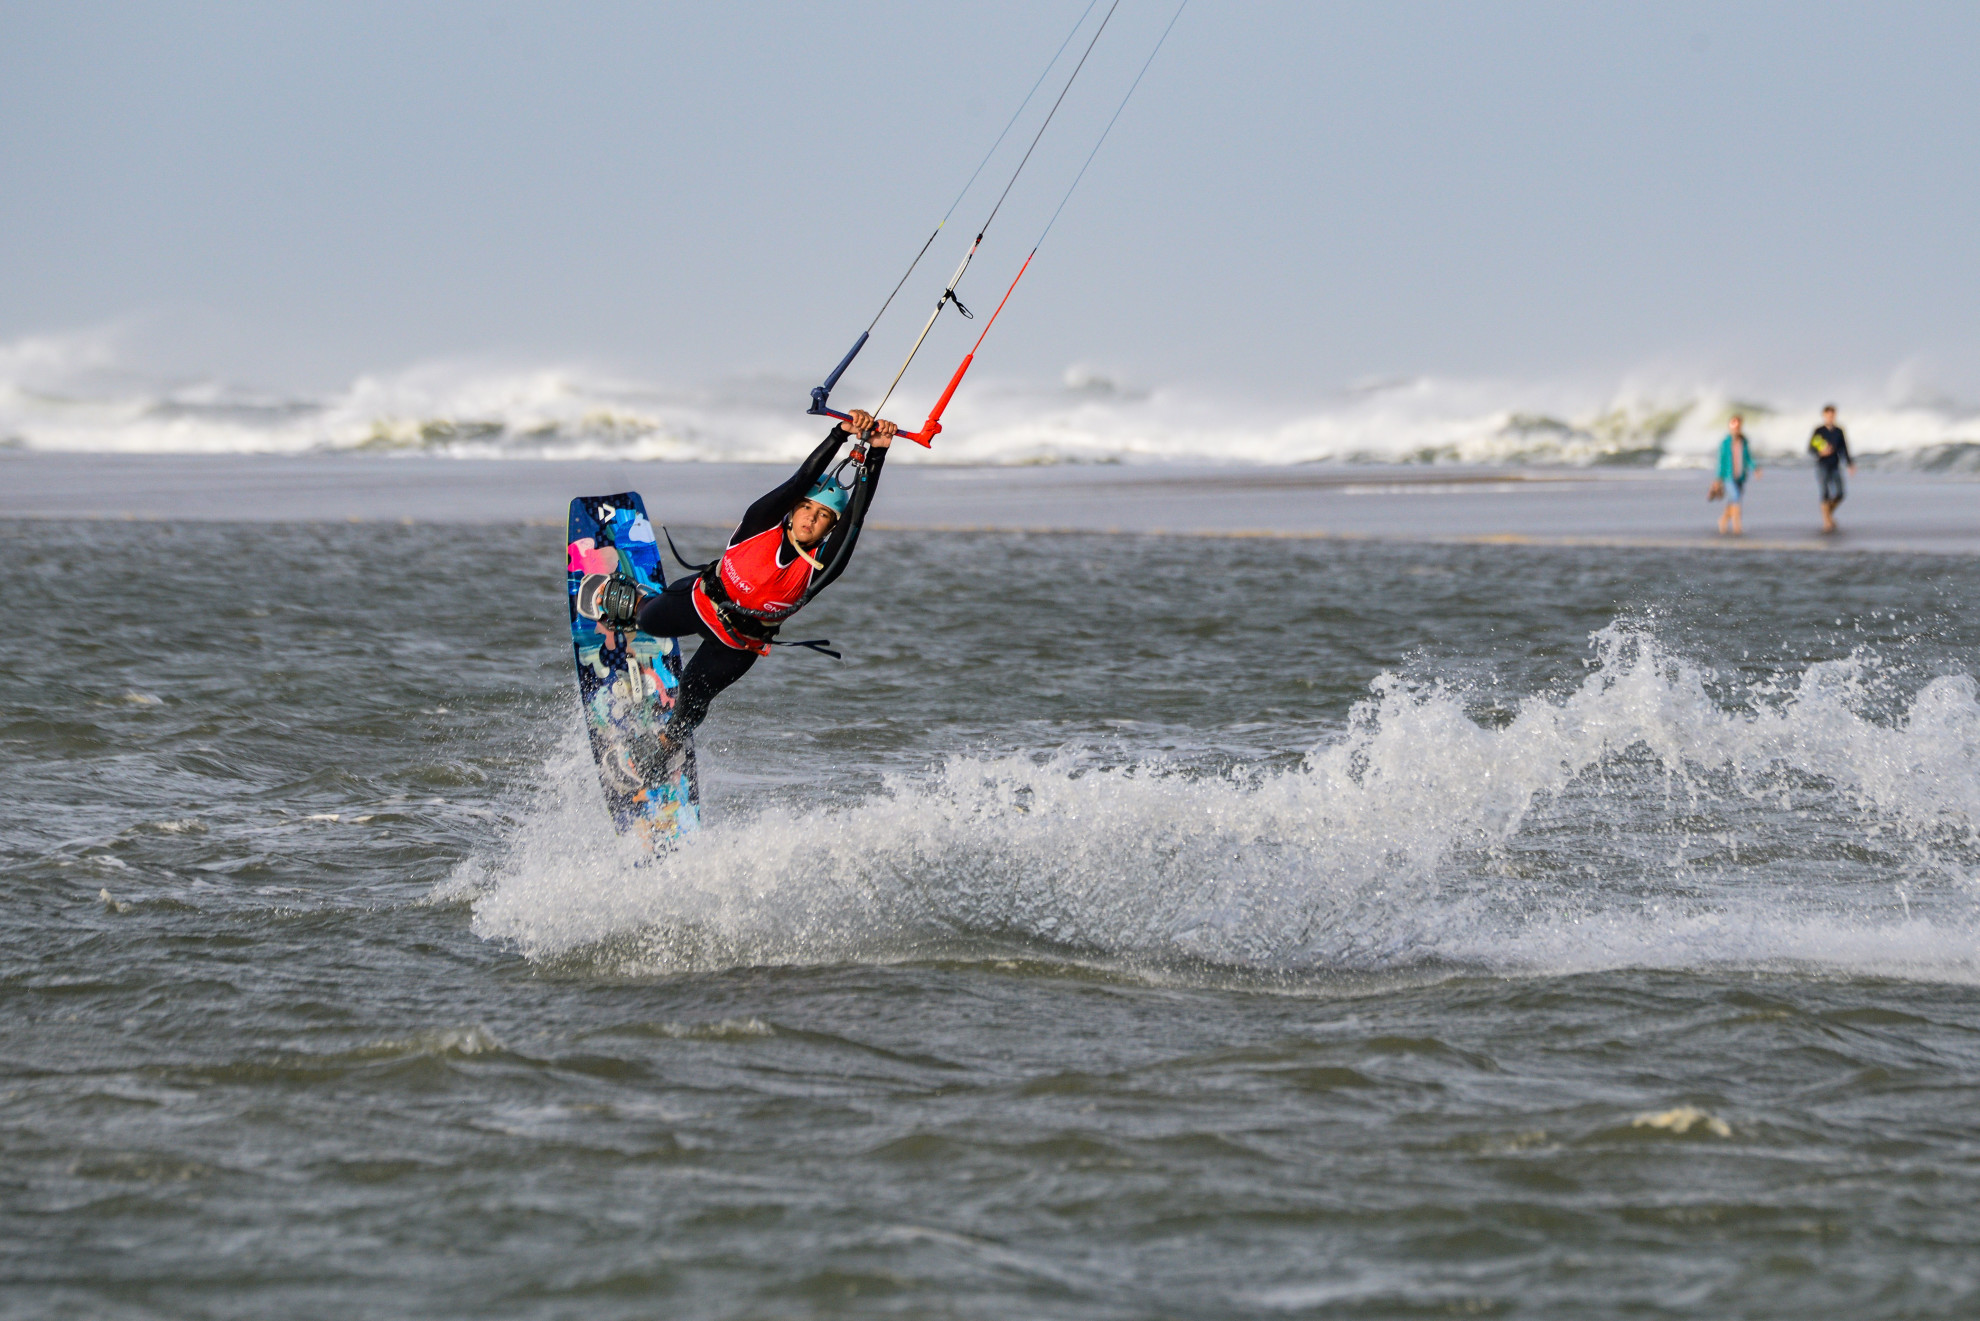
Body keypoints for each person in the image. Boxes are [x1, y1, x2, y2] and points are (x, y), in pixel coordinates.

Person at [578, 408, 898, 746]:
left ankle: (667, 745)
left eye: (822, 516)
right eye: (806, 508)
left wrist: (876, 453)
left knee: (693, 695)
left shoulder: (821, 567)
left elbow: (855, 518)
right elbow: (798, 482)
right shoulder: (759, 523)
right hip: (698, 603)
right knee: (648, 621)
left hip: (737, 643)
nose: (810, 518)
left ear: (830, 528)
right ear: (793, 510)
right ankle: (637, 601)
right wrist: (839, 434)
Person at [1808, 403, 1854, 534]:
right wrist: (1820, 452)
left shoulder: (1839, 431)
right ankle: (1826, 522)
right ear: (1824, 415)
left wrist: (1850, 463)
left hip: (1835, 465)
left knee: (1840, 493)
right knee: (1825, 492)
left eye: (1832, 415)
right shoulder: (1819, 431)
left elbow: (1844, 448)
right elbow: (1811, 449)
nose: (1830, 417)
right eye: (1828, 415)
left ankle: (1829, 515)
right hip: (1822, 464)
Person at [1715, 414, 1760, 536]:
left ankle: (1723, 520)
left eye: (1738, 426)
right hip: (1728, 476)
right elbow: (1721, 462)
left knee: (1732, 500)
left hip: (1740, 476)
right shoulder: (1725, 443)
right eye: (1734, 426)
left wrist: (1755, 468)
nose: (1736, 429)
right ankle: (1737, 525)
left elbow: (1748, 458)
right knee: (1735, 497)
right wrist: (1718, 479)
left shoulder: (1744, 442)